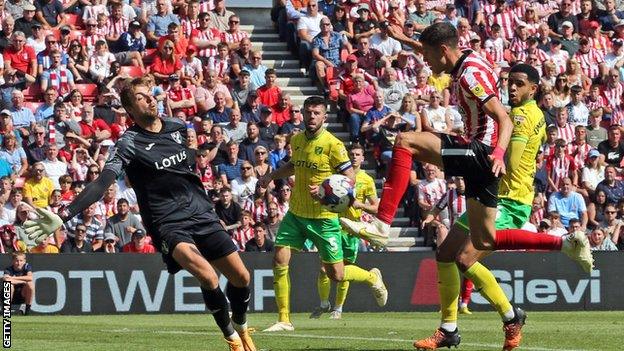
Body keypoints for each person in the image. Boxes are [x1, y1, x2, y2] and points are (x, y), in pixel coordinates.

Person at [23, 77, 256, 351]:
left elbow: (187, 163)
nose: (149, 99)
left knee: (242, 278)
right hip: (167, 223)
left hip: (202, 214)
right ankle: (232, 339)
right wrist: (64, 214)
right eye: (141, 98)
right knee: (208, 276)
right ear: (130, 110)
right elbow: (101, 183)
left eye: (150, 94)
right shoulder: (128, 143)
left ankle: (241, 326)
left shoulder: (178, 128)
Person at [408, 63, 593, 351]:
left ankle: (511, 317)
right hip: (495, 196)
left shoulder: (518, 117)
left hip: (507, 199)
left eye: (519, 84)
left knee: (465, 259)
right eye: (510, 82)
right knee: (445, 253)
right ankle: (448, 329)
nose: (512, 88)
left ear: (534, 88)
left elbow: (508, 164)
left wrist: (461, 158)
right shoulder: (537, 116)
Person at [259, 96, 387, 332]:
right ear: (302, 114)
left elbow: (349, 179)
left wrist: (324, 192)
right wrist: (270, 176)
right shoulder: (296, 139)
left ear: (324, 117)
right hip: (296, 214)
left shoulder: (333, 145)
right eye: (308, 112)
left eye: (316, 113)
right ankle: (284, 320)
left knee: (336, 274)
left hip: (324, 218)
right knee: (279, 259)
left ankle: (371, 277)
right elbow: (293, 165)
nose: (311, 117)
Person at [311, 144, 379, 320]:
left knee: (345, 271)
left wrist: (361, 205)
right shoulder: (336, 178)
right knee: (324, 268)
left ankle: (338, 309)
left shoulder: (367, 180)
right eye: (352, 154)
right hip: (333, 225)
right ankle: (324, 303)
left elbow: (377, 208)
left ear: (363, 158)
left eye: (358, 154)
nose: (354, 157)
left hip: (352, 230)